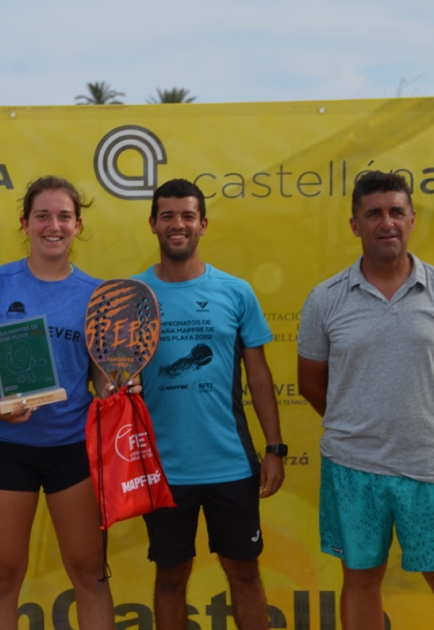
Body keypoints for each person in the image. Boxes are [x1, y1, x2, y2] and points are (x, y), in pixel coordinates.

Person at [297, 171, 434, 630]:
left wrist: (422, 417)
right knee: (360, 581)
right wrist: (359, 422)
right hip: (352, 465)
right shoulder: (324, 299)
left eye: (396, 211)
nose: (387, 222)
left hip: (430, 463)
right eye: (373, 213)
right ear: (354, 224)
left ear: (412, 219)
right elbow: (310, 383)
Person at [0, 176, 115, 630]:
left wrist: (117, 390)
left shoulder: (96, 293)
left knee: (90, 574)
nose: (54, 225)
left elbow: (99, 373)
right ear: (25, 223)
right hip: (8, 447)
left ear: (78, 224)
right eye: (43, 216)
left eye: (64, 216)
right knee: (1, 577)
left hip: (74, 449)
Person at [133, 178, 285, 630]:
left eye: (187, 216)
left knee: (243, 571)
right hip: (161, 469)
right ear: (153, 224)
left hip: (231, 464)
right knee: (171, 576)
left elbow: (258, 376)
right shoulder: (131, 296)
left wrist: (274, 447)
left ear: (203, 223)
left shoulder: (236, 292)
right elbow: (112, 378)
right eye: (167, 216)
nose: (177, 225)